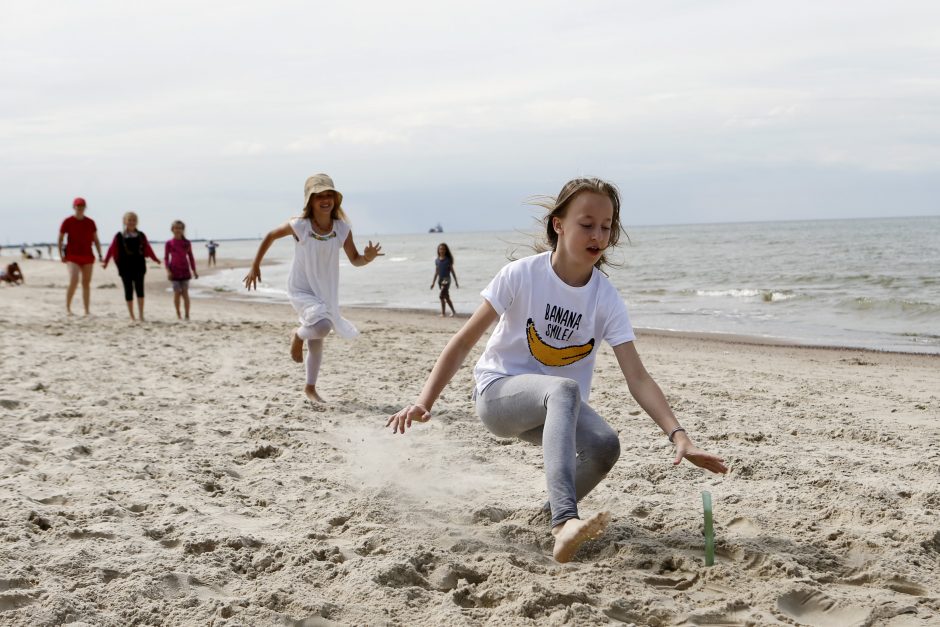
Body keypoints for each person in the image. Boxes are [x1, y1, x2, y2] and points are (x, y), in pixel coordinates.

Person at [387, 177, 728, 564]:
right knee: (564, 388)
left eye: (606, 226)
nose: (597, 234)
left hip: (555, 410)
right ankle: (565, 522)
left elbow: (638, 377)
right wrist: (423, 400)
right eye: (587, 224)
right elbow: (464, 341)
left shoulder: (606, 298)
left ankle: (550, 513)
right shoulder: (521, 275)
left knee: (604, 445)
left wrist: (679, 437)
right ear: (559, 224)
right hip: (498, 395)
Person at [243, 173, 383, 403]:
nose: (325, 199)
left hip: (325, 291)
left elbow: (355, 259)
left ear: (336, 200)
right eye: (319, 196)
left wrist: (368, 258)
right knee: (323, 326)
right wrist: (255, 265)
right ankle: (297, 334)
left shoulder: (341, 228)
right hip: (301, 289)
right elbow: (270, 235)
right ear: (310, 200)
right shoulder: (300, 225)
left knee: (317, 341)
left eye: (329, 195)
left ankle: (310, 388)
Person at [102, 212, 161, 321]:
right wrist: (105, 262)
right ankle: (132, 316)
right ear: (124, 221)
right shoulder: (119, 236)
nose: (131, 222)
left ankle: (141, 315)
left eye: (134, 220)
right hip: (125, 267)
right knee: (128, 290)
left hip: (139, 266)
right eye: (129, 220)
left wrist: (155, 259)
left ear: (137, 222)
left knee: (140, 290)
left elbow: (148, 248)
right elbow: (111, 249)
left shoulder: (141, 235)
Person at [58, 197, 103, 315]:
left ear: (85, 208)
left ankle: (87, 310)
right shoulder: (67, 221)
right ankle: (68, 308)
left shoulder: (90, 222)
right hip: (72, 255)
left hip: (87, 255)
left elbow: (96, 240)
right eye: (78, 206)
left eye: (82, 207)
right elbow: (60, 238)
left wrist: (100, 254)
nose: (80, 209)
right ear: (74, 207)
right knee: (74, 280)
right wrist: (60, 254)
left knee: (86, 283)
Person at [165, 220, 199, 320]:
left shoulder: (187, 243)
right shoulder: (169, 243)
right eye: (176, 228)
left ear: (183, 230)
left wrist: (194, 270)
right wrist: (168, 271)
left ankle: (187, 314)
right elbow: (166, 258)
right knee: (176, 293)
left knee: (185, 293)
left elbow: (191, 257)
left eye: (180, 228)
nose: (178, 230)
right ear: (172, 230)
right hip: (174, 271)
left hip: (185, 270)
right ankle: (178, 314)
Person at [430, 242, 459, 317]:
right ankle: (449, 312)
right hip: (440, 280)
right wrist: (433, 282)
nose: (441, 250)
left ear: (446, 250)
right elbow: (436, 272)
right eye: (440, 249)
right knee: (446, 297)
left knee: (441, 296)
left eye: (443, 249)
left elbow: (452, 271)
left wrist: (456, 281)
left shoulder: (448, 260)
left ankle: (444, 313)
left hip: (446, 280)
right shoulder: (437, 260)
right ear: (438, 250)